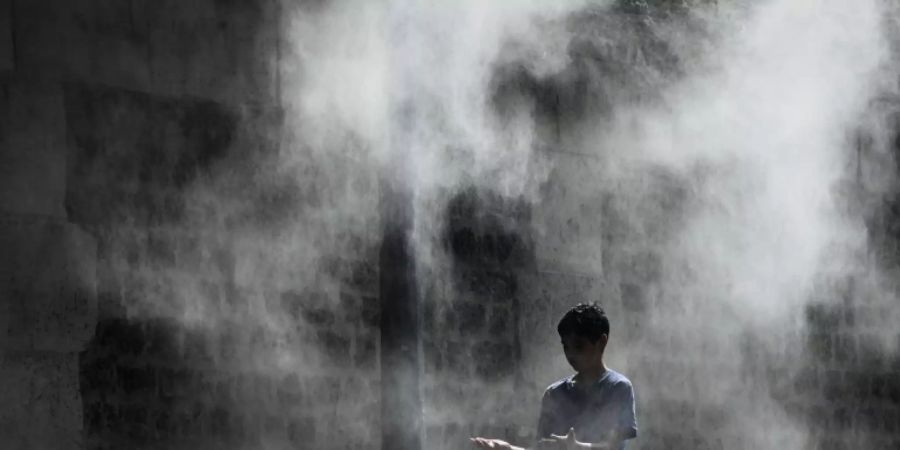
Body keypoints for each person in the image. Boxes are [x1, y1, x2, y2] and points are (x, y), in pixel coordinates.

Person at [470, 303, 637, 449]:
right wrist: (509, 449)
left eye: (579, 346)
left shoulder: (618, 388)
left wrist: (579, 448)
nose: (571, 354)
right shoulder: (554, 393)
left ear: (601, 342)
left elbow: (613, 447)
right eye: (566, 347)